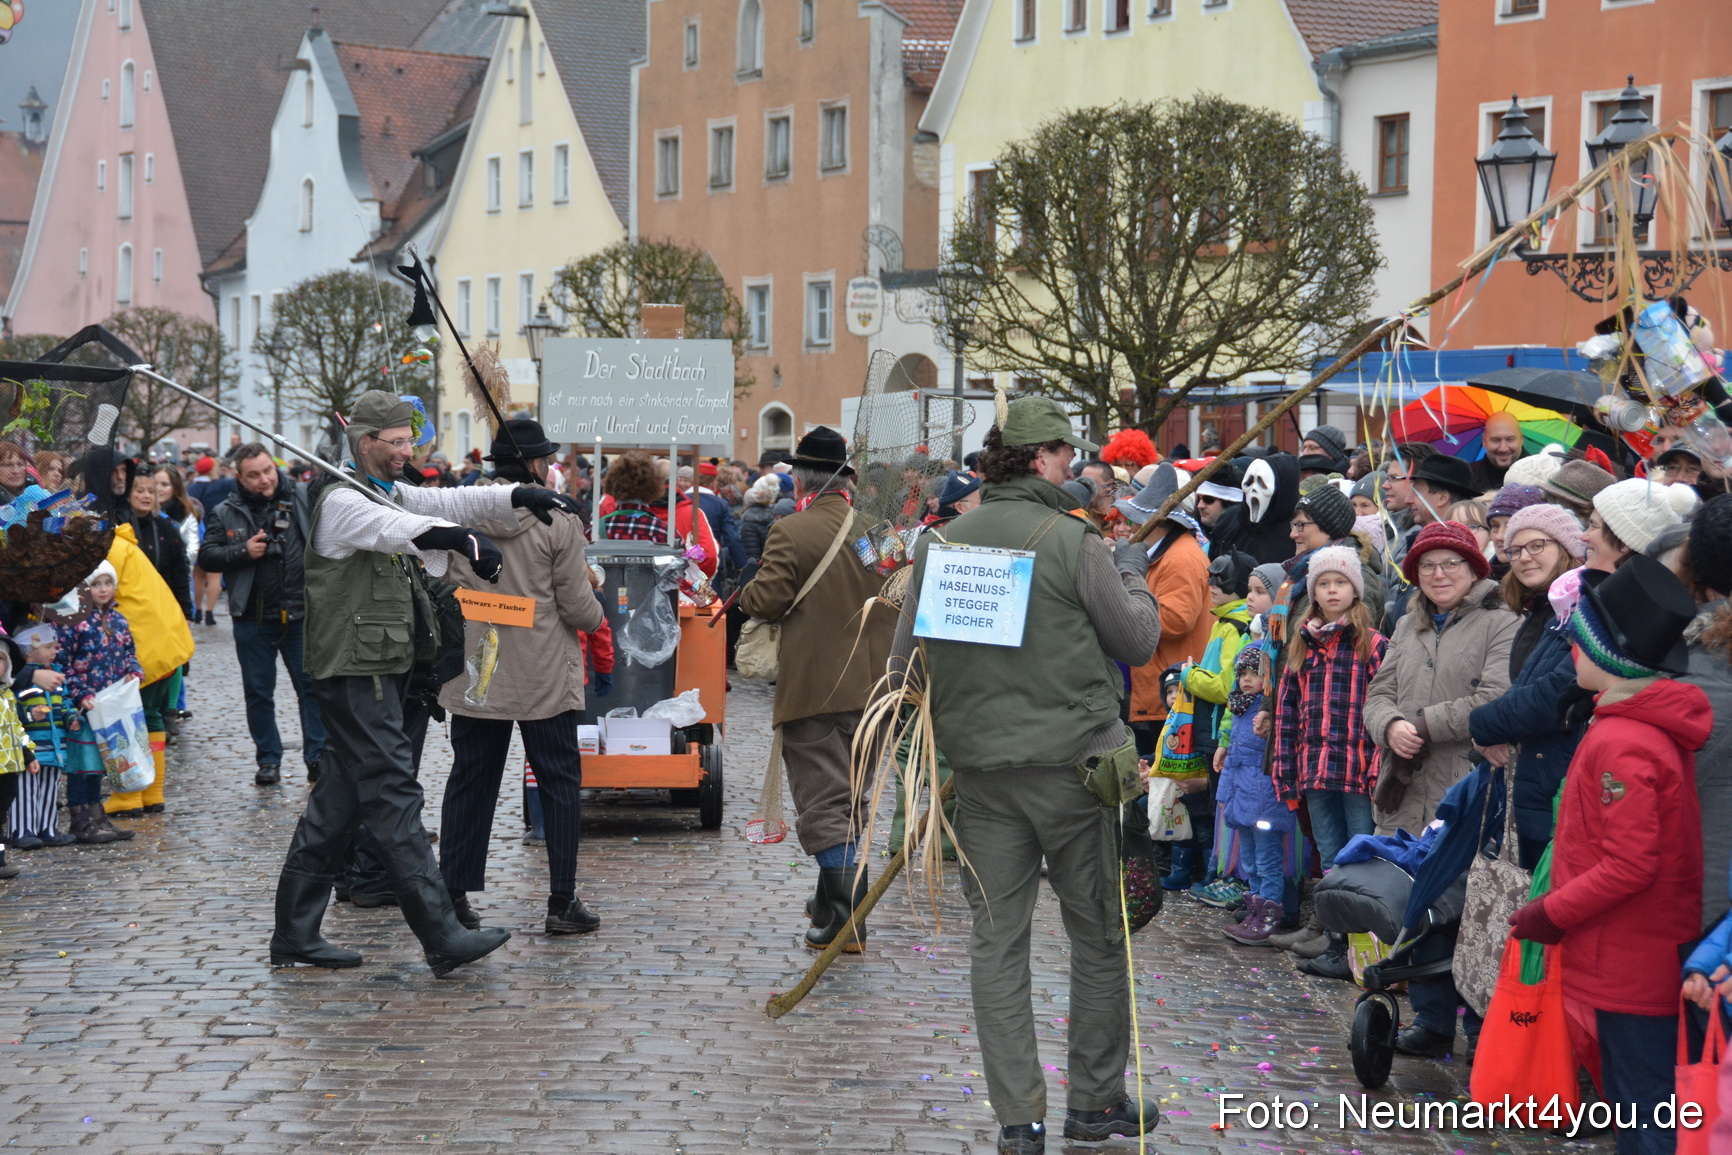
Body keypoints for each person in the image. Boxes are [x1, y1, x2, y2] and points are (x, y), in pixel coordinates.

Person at [893, 396, 1162, 1153]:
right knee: (1099, 937)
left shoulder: (940, 545)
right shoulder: (1073, 541)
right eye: (1067, 454)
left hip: (982, 777)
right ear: (1040, 457)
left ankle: (1020, 1119)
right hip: (1079, 771)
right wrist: (1133, 569)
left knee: (997, 942)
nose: (1074, 466)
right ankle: (1095, 1100)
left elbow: (904, 672)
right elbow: (1138, 640)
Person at [268, 390, 578, 977]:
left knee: (337, 801)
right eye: (398, 443)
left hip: (374, 669)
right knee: (392, 793)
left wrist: (520, 493)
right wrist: (458, 540)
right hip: (355, 673)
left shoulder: (382, 488)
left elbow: (449, 499)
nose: (407, 453)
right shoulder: (341, 503)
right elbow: (399, 528)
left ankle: (294, 935)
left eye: (410, 442)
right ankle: (440, 933)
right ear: (366, 444)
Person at [1511, 555, 1705, 1154]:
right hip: (1618, 949)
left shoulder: (1625, 743)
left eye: (1578, 645)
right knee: (1632, 1101)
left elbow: (1630, 863)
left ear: (1607, 660)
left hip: (1628, 955)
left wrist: (1552, 912)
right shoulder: (1618, 725)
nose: (1570, 653)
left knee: (1644, 1106)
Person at [436, 419, 607, 935]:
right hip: (542, 672)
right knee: (558, 782)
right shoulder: (557, 522)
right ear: (536, 466)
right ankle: (561, 901)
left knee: (471, 780)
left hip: (478, 668)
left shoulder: (462, 511)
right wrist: (600, 617)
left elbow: (444, 579)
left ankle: (454, 895)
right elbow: (577, 608)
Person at [1362, 521, 1517, 1052]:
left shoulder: (1502, 622)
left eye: (1450, 562)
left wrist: (1423, 723)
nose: (1438, 573)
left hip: (1467, 784)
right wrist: (1389, 726)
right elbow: (1378, 691)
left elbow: (1496, 700)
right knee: (1418, 902)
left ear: (1474, 567)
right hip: (1407, 788)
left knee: (1469, 908)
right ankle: (1431, 1022)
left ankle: (1478, 1028)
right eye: (1427, 565)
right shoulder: (1409, 624)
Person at [738, 427, 895, 952]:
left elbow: (765, 601)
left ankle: (847, 925)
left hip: (818, 689)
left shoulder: (792, 530)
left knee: (826, 805)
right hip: (876, 688)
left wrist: (747, 587)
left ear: (801, 478)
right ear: (846, 478)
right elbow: (896, 588)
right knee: (853, 798)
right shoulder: (880, 530)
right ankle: (830, 903)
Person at [1466, 504, 1587, 870]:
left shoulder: (1577, 609)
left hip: (1555, 784)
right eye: (1515, 550)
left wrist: (1484, 726)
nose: (1523, 558)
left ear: (1566, 548)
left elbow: (1554, 695)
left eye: (1536, 546)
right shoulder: (1539, 612)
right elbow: (1523, 687)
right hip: (1532, 781)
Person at [198, 444, 325, 787]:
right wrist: (245, 551)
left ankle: (317, 757)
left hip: (300, 613)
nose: (264, 479)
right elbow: (207, 556)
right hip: (251, 617)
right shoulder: (226, 511)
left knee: (311, 689)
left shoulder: (301, 495)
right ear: (239, 477)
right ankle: (268, 760)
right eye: (254, 475)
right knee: (258, 693)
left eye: (267, 470)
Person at [1166, 551, 1253, 895]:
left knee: (1219, 805)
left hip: (1220, 730)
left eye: (1222, 579)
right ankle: (1215, 872)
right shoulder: (1222, 621)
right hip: (1212, 729)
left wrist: (1189, 675)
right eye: (1212, 578)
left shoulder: (1234, 625)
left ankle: (1224, 876)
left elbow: (1224, 687)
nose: (1212, 585)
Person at [101, 505, 196, 818]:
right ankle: (151, 793)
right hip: (165, 642)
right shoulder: (124, 543)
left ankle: (128, 796)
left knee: (126, 716)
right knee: (152, 716)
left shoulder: (108, 551)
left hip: (143, 647)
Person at [1120, 466, 1212, 768]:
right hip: (1161, 687)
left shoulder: (1180, 557)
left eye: (1137, 519)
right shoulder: (1166, 553)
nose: (1131, 526)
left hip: (1170, 693)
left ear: (1156, 522)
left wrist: (1122, 606)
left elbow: (1176, 619)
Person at [13, 623, 127, 845]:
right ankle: (22, 831)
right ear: (30, 651)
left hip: (55, 745)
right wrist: (29, 714)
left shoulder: (56, 675)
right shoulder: (20, 681)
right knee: (27, 789)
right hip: (32, 744)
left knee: (49, 789)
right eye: (49, 647)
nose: (55, 651)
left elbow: (64, 702)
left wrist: (70, 717)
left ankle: (47, 829)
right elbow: (13, 708)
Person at [1215, 643, 1292, 945]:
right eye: (1242, 673)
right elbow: (1235, 753)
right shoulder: (1239, 705)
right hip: (1242, 795)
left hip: (1263, 798)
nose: (1247, 679)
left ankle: (1269, 913)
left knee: (1267, 859)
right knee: (1249, 858)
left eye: (1254, 673)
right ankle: (1255, 909)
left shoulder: (1268, 708)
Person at [595, 451, 719, 577]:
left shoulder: (596, 530)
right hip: (659, 594)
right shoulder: (665, 531)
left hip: (608, 593)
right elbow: (706, 556)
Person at [123, 469, 193, 622]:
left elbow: (179, 570)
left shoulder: (166, 528)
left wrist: (186, 613)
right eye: (140, 491)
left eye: (151, 492)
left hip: (160, 605)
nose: (146, 496)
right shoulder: (119, 525)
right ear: (128, 494)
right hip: (126, 607)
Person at [1208, 452, 1299, 564]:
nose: (1254, 489)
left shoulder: (1298, 529)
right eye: (1249, 482)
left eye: (1262, 483)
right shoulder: (1228, 521)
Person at [1588, 478, 1692, 572]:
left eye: (1595, 526)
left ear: (1625, 543)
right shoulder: (1576, 581)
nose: (1582, 536)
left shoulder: (1619, 592)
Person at [1468, 411, 1526, 491]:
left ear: (1521, 439)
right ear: (1484, 441)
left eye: (1510, 439)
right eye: (1496, 440)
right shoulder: (1466, 477)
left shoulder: (1541, 478)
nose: (1503, 448)